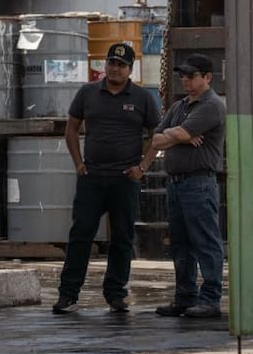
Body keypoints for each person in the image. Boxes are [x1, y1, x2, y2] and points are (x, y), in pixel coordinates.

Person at [51, 42, 159, 314]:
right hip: (92, 177)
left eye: (121, 65)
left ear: (130, 69)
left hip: (125, 179)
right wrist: (78, 163)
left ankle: (116, 294)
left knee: (122, 237)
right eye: (111, 63)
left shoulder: (142, 98)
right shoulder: (87, 93)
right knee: (80, 235)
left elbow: (155, 136)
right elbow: (72, 129)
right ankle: (68, 294)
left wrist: (143, 167)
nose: (114, 69)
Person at [143, 53, 226, 319]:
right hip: (177, 184)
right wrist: (181, 135)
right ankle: (185, 297)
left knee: (205, 241)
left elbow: (175, 134)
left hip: (199, 182)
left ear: (207, 77)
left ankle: (210, 299)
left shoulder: (211, 105)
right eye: (183, 76)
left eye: (192, 76)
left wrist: (179, 134)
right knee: (181, 244)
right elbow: (155, 140)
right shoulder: (180, 107)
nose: (186, 81)